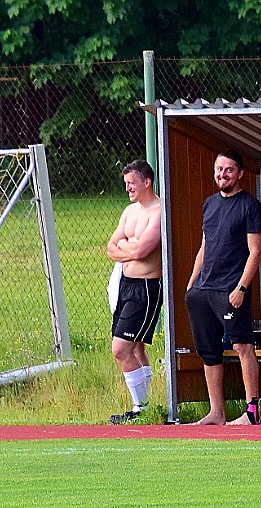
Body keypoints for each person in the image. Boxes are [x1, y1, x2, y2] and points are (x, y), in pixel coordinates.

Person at [185, 149, 261, 425]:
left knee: (243, 345)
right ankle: (216, 412)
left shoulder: (250, 206)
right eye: (219, 169)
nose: (222, 174)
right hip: (203, 291)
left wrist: (241, 288)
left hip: (231, 291)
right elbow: (205, 246)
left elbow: (255, 252)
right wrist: (192, 284)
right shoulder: (209, 204)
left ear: (240, 173)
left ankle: (251, 411)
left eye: (228, 169)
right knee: (208, 351)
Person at [106, 160, 163, 424]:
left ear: (146, 182)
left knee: (120, 349)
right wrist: (130, 246)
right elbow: (110, 248)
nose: (127, 187)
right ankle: (145, 409)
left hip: (146, 288)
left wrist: (128, 247)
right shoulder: (129, 212)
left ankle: (140, 407)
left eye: (132, 182)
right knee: (136, 347)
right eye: (126, 182)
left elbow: (142, 252)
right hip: (124, 284)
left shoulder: (158, 211)